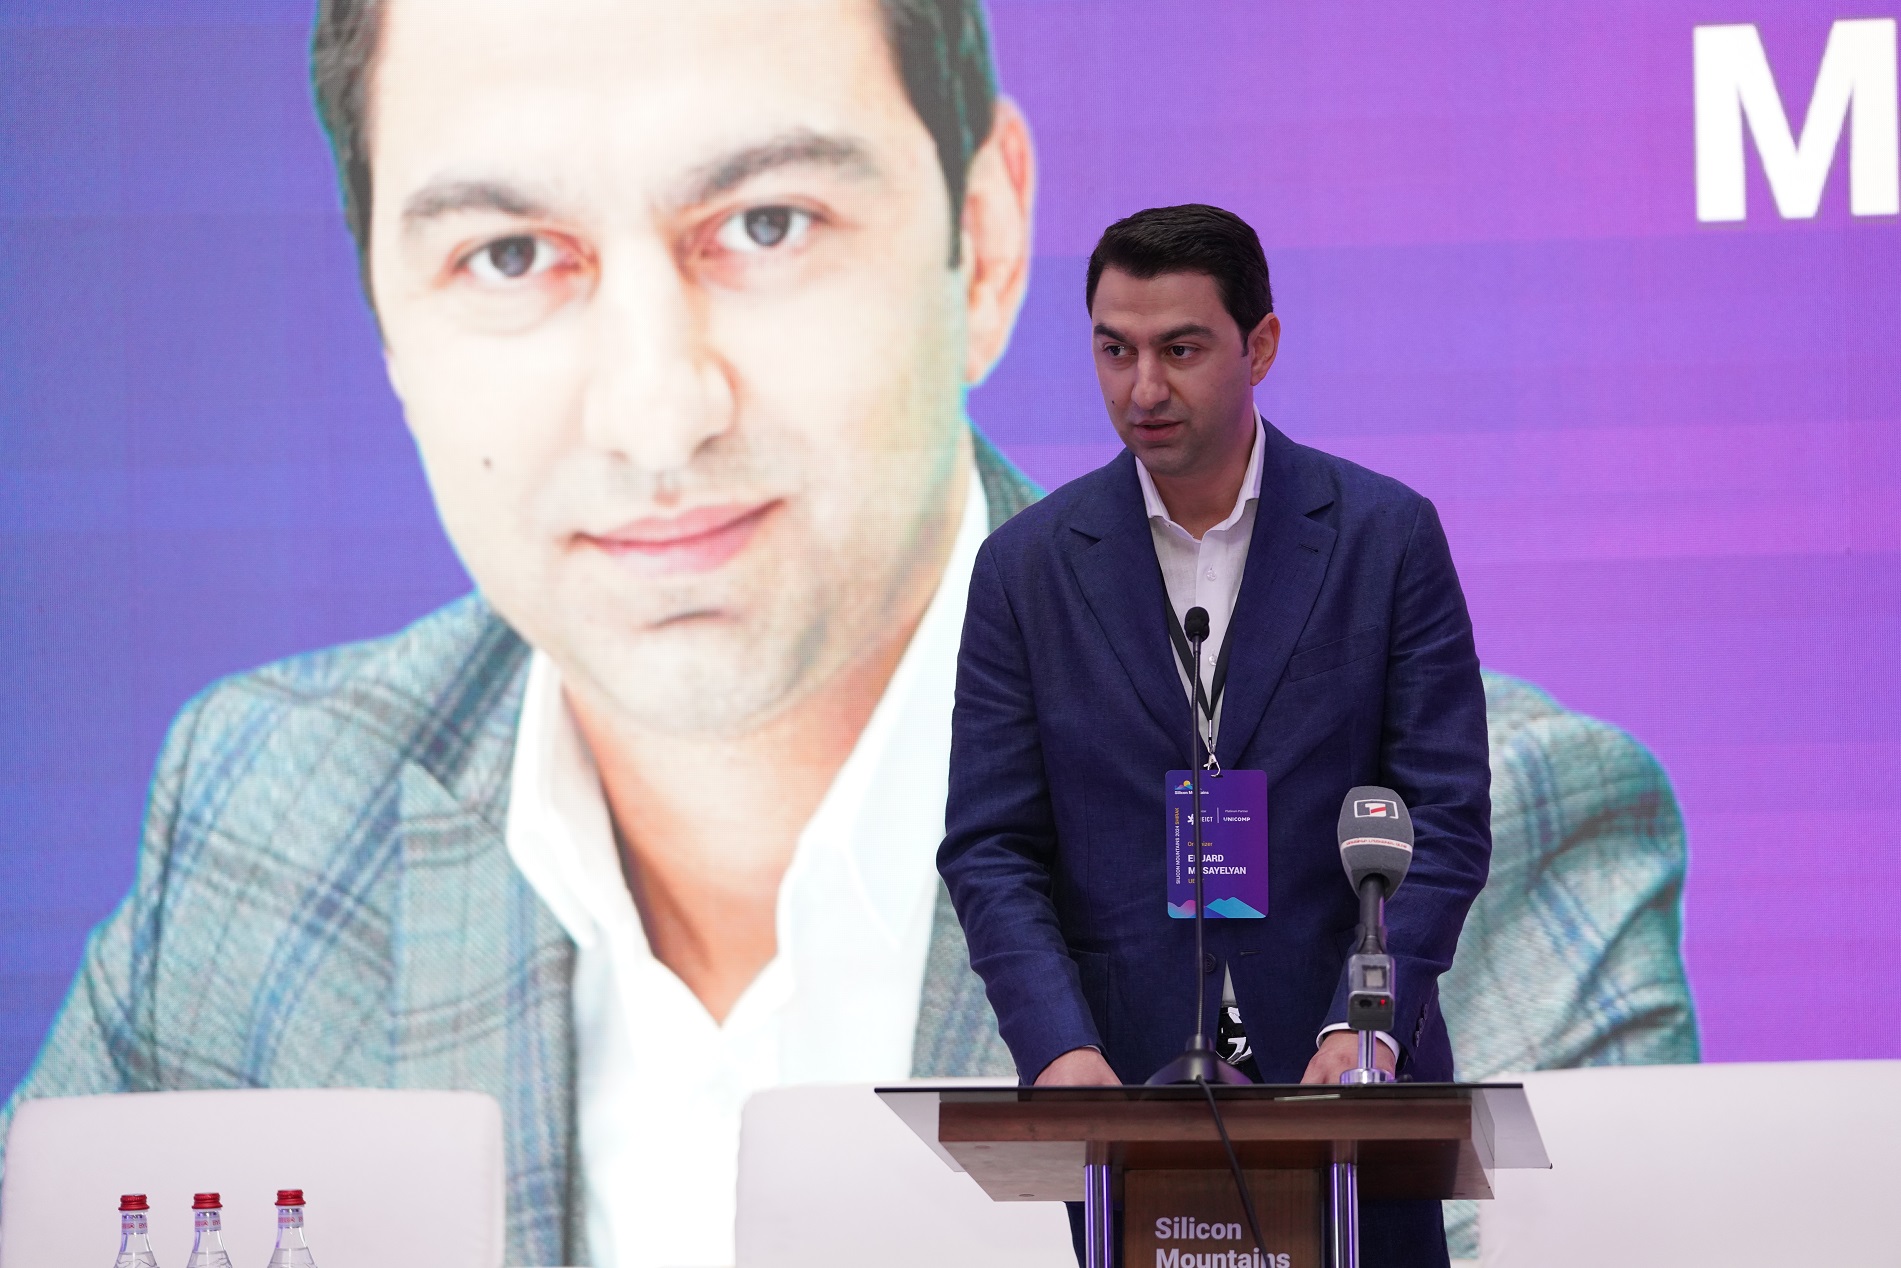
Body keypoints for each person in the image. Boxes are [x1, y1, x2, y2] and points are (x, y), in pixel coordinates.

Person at [0, 2, 1694, 1264]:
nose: (656, 411)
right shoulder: (260, 820)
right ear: (383, 319)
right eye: (510, 254)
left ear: (986, 240)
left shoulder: (1471, 835)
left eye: (765, 225)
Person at [940, 204, 1490, 1267]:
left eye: (1179, 350)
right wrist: (1056, 1046)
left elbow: (1442, 821)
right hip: (1127, 1092)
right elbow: (990, 846)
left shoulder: (1381, 538)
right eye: (1114, 350)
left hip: (1348, 1089)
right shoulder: (1025, 571)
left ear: (1259, 346)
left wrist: (1363, 1022)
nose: (1142, 388)